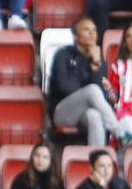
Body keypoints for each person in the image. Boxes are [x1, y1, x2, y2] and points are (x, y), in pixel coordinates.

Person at [48, 17, 119, 149]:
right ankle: (119, 133)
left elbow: (101, 95)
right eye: (86, 30)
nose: (92, 34)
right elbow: (64, 87)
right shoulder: (63, 55)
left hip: (84, 112)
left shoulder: (98, 60)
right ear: (75, 36)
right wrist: (86, 92)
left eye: (94, 30)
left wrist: (95, 65)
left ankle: (96, 159)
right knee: (91, 90)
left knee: (95, 116)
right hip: (62, 112)